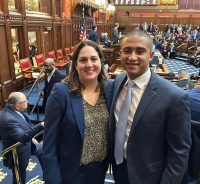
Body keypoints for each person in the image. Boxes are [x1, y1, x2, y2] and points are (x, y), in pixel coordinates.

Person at [110, 30, 191, 184]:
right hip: (119, 168)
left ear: (151, 55)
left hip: (151, 176)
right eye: (127, 50)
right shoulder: (118, 81)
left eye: (140, 51)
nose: (132, 57)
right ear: (120, 53)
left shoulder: (174, 97)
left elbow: (179, 153)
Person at [43, 40, 113, 184]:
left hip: (100, 169)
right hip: (71, 172)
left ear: (101, 61)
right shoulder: (61, 92)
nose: (89, 64)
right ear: (75, 64)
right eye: (83, 60)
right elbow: (49, 144)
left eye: (94, 59)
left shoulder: (110, 89)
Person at [0, 92, 44, 184]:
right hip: (17, 151)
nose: (28, 101)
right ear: (17, 106)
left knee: (43, 151)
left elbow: (24, 127)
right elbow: (22, 137)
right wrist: (40, 125)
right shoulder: (8, 119)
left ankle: (47, 174)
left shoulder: (14, 111)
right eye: (25, 101)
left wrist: (31, 138)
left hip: (27, 143)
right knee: (19, 177)